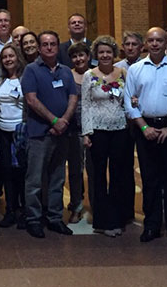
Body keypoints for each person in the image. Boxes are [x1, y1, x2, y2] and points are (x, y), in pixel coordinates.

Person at [123, 27, 167, 245]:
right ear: (145, 44)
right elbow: (129, 102)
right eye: (150, 40)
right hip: (146, 128)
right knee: (150, 179)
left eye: (159, 40)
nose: (155, 44)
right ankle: (151, 225)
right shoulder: (137, 69)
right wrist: (144, 128)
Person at [22, 30, 78, 239]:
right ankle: (34, 219)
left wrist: (64, 121)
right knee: (35, 180)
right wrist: (54, 120)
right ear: (38, 47)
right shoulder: (31, 70)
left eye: (53, 44)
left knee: (57, 178)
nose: (49, 47)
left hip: (62, 133)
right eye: (44, 44)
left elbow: (73, 97)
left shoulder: (65, 71)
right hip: (39, 134)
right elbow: (31, 100)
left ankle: (55, 217)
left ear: (57, 46)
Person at [81, 35, 132, 237]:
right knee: (99, 177)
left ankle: (118, 217)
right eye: (101, 52)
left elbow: (128, 99)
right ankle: (102, 220)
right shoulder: (89, 75)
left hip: (120, 129)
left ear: (114, 54)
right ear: (96, 54)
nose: (105, 55)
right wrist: (86, 132)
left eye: (108, 52)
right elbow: (85, 104)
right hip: (97, 132)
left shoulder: (123, 73)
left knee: (118, 176)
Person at [0, 44, 26, 228]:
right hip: (3, 131)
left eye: (11, 56)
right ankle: (10, 210)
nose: (8, 59)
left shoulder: (25, 78)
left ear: (17, 57)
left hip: (20, 130)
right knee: (6, 170)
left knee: (21, 171)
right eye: (4, 57)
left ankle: (23, 211)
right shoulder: (0, 81)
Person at [66, 41, 92, 223]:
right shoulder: (67, 75)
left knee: (94, 169)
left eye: (81, 55)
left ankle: (97, 203)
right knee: (75, 169)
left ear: (88, 56)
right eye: (75, 56)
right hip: (74, 127)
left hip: (94, 127)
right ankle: (76, 205)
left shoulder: (95, 74)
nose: (78, 59)